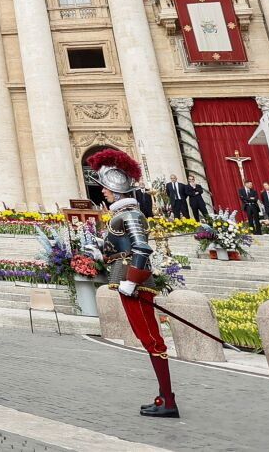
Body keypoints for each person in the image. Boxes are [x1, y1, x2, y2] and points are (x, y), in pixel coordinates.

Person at [87, 148, 178, 418]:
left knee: (151, 339)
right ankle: (165, 397)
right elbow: (122, 248)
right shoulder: (123, 214)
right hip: (129, 279)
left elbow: (141, 248)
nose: (102, 192)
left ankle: (168, 400)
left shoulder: (129, 215)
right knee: (147, 338)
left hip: (134, 283)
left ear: (115, 190)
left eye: (104, 188)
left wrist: (131, 281)